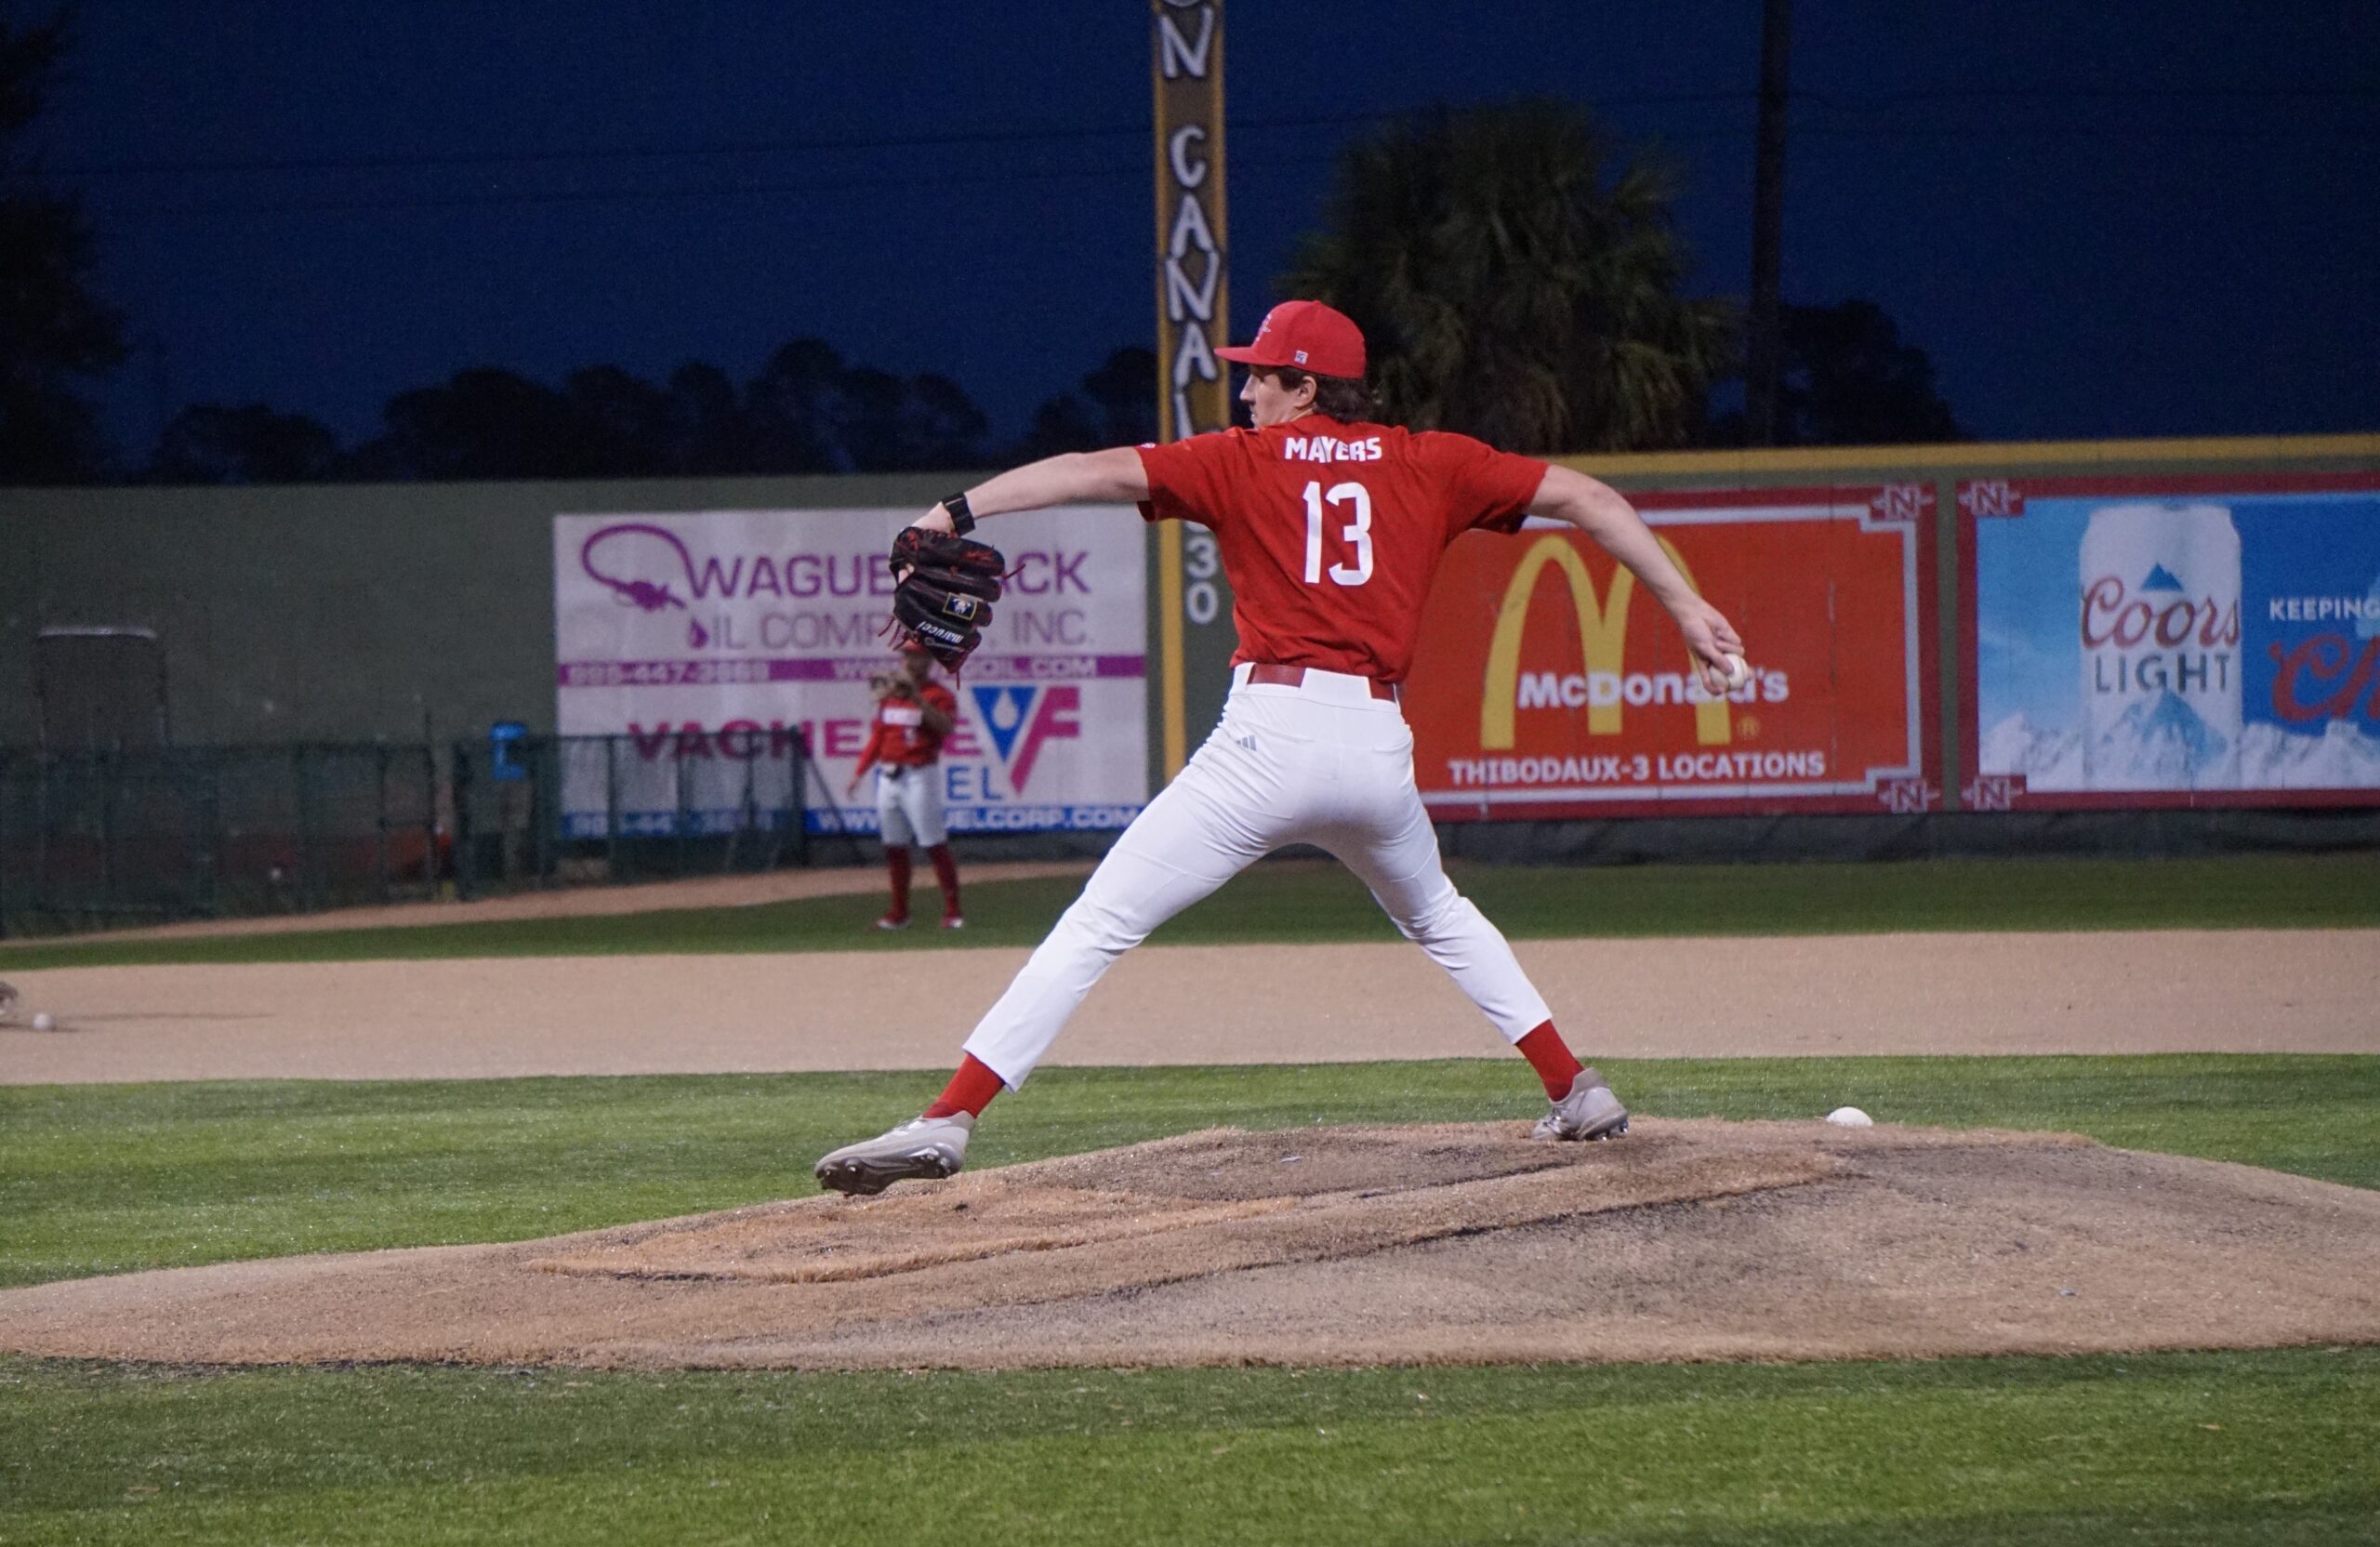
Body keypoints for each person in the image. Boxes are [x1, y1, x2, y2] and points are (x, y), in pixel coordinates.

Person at [815, 298, 1745, 1195]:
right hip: (1375, 740)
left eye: (1260, 376)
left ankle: (947, 1118)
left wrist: (953, 511)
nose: (1247, 392)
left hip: (1268, 738)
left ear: (1304, 386)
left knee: (1100, 921)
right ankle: (1576, 1089)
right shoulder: (1431, 459)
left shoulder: (1240, 459)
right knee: (1442, 915)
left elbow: (1091, 470)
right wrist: (1683, 604)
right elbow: (1585, 495)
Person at [844, 643, 965, 931]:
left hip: (920, 775)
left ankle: (953, 912)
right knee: (894, 846)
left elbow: (945, 728)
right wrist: (859, 772)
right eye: (908, 655)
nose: (912, 661)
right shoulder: (891, 697)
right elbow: (878, 737)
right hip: (888, 775)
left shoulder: (938, 695)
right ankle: (899, 913)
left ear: (929, 660)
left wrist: (918, 700)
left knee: (933, 843)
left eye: (919, 656)